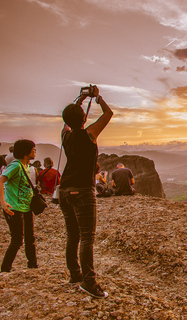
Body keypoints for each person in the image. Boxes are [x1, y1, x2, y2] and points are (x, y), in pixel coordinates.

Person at [58, 86, 113, 299]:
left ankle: (74, 274)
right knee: (87, 237)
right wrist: (98, 97)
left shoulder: (65, 136)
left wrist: (80, 99)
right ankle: (89, 283)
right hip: (82, 190)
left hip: (64, 190)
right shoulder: (89, 134)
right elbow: (108, 114)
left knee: (73, 235)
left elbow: (67, 121)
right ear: (83, 118)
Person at [0, 139, 38, 272]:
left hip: (26, 207)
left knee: (30, 237)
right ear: (26, 151)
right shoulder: (15, 165)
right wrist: (3, 202)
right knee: (17, 240)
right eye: (33, 149)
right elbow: (1, 180)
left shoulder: (26, 165)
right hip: (14, 208)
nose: (35, 151)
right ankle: (5, 268)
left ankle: (33, 264)